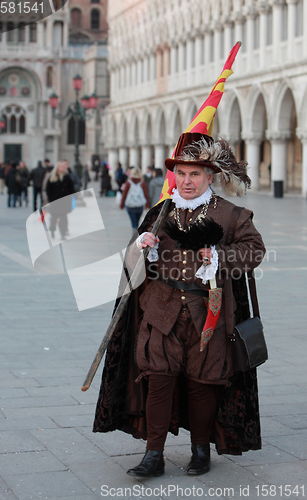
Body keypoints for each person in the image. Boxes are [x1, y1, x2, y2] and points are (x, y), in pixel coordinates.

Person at [93, 132, 266, 477]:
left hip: (209, 316)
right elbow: (132, 262)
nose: (186, 182)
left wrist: (220, 256)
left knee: (204, 383)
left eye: (195, 174)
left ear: (210, 176)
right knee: (158, 379)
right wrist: (141, 246)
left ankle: (200, 450)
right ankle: (153, 455)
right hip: (160, 312)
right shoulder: (160, 212)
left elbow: (255, 251)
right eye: (181, 174)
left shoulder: (231, 215)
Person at [46, 161, 75, 240]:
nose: (62, 168)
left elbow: (71, 188)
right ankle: (52, 230)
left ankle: (63, 234)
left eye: (63, 166)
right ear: (57, 167)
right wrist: (50, 199)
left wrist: (69, 197)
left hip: (64, 202)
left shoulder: (66, 177)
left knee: (63, 218)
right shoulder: (52, 177)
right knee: (54, 218)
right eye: (60, 166)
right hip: (55, 201)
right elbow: (48, 189)